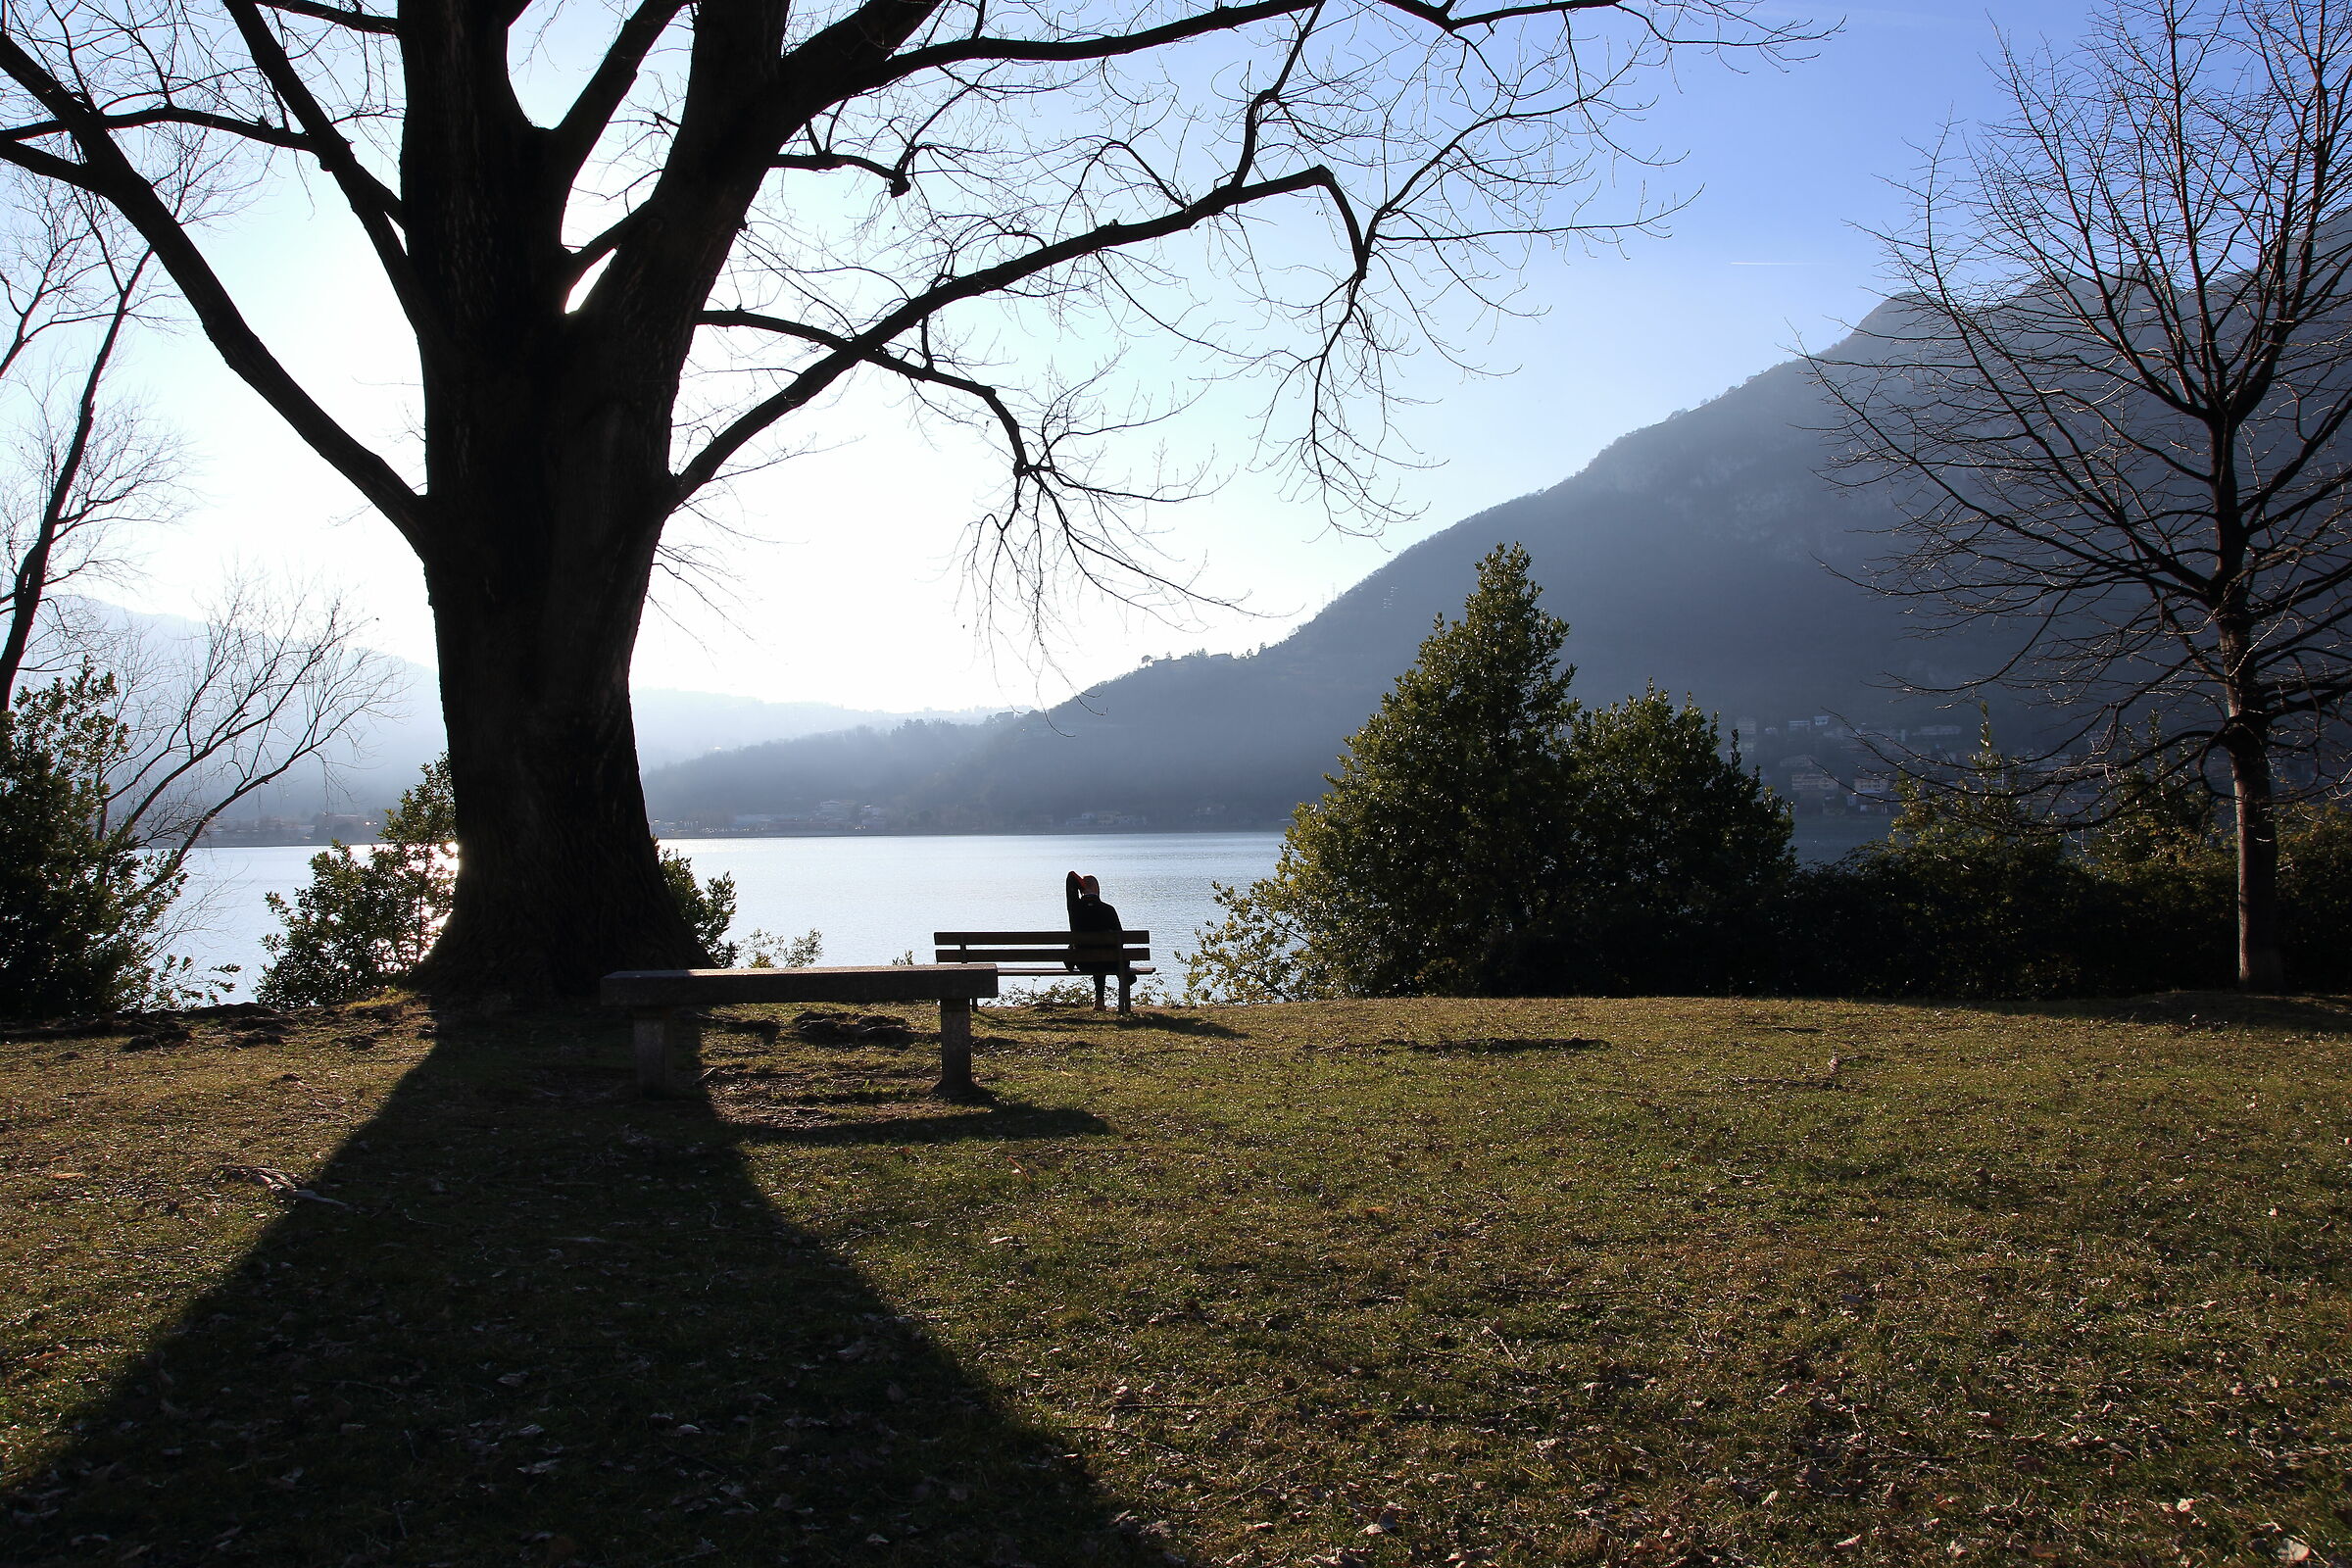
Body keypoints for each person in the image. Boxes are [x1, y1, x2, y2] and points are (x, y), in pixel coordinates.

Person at [1064, 871, 1125, 1006]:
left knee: (1093, 952)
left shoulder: (1075, 909)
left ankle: (1099, 1000)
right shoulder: (1108, 910)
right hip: (1108, 962)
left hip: (1083, 963)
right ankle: (1100, 999)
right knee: (1104, 953)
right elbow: (1120, 938)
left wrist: (1082, 886)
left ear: (1081, 889)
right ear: (1097, 889)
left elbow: (1070, 877)